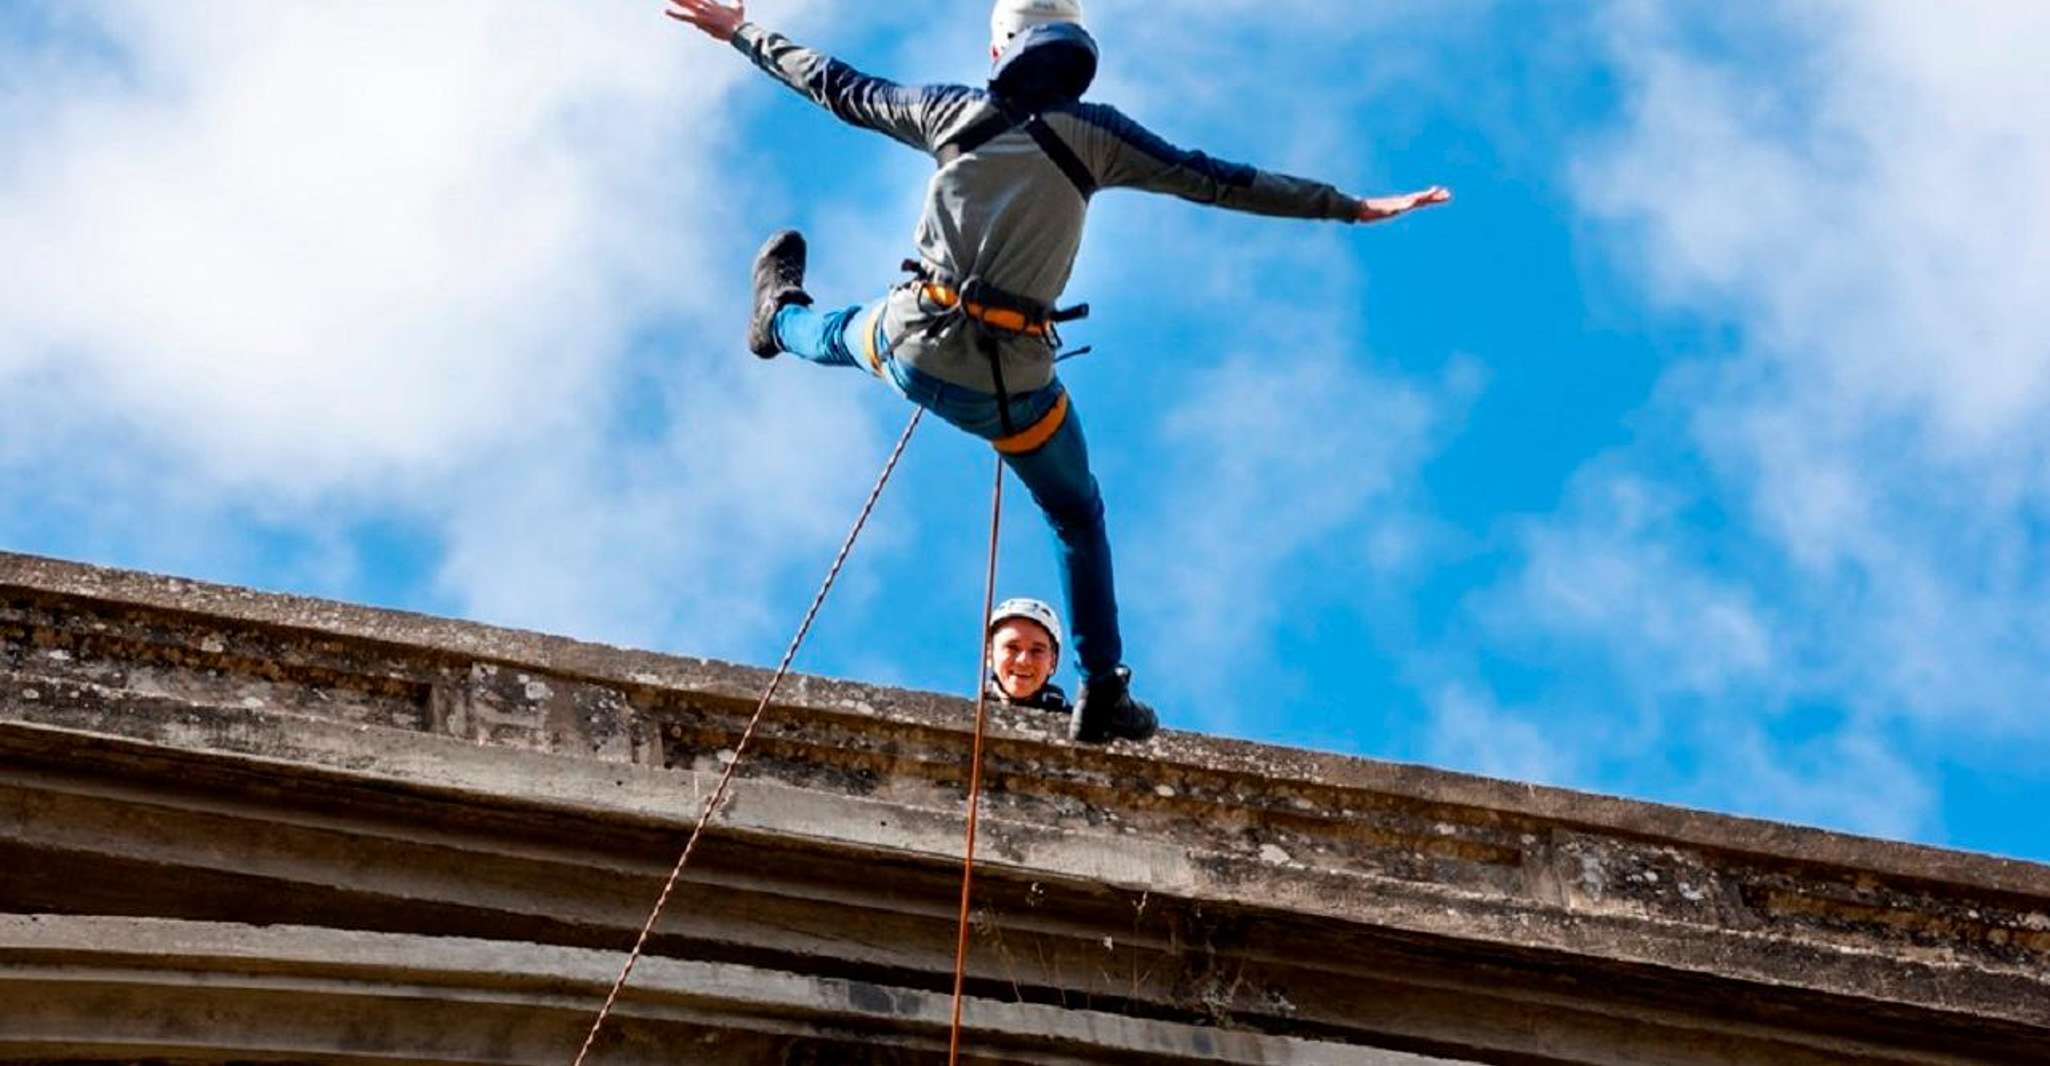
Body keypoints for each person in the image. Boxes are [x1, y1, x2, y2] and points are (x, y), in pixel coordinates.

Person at [664, 0, 1449, 745]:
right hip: (1011, 386)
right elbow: (1217, 179)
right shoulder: (1096, 136)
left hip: (915, 340)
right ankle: (1102, 684)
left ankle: (776, 318)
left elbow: (837, 85)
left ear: (1001, 50)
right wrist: (1347, 206)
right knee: (1076, 515)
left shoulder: (950, 111)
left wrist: (741, 30)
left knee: (833, 332)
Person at [987, 597, 1070, 713]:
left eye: (1037, 650)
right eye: (1012, 647)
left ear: (1052, 661)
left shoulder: (1080, 727)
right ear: (990, 654)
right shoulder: (971, 716)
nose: (1024, 661)